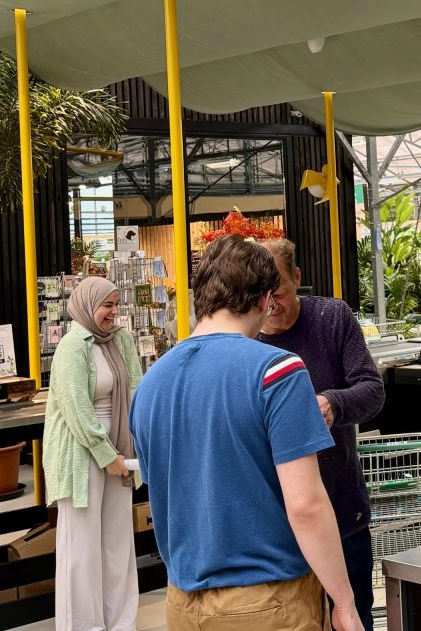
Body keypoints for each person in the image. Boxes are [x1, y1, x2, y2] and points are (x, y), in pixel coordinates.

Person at [130, 235, 362, 631]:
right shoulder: (278, 371)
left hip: (182, 602)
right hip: (269, 600)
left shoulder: (150, 384)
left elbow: (167, 496)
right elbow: (305, 504)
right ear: (262, 300)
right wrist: (344, 602)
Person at [258, 238, 385, 631]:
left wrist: (332, 404)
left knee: (353, 614)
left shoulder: (332, 318)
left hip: (341, 508)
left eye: (278, 292)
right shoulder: (244, 339)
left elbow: (372, 388)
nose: (271, 306)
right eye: (261, 297)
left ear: (296, 278)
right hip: (276, 524)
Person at [43, 276, 143, 631]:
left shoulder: (121, 340)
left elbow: (136, 387)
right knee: (81, 549)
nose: (113, 313)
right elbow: (76, 409)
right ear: (87, 306)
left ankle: (120, 623)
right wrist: (107, 455)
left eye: (116, 305)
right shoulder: (72, 347)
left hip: (120, 450)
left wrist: (132, 447)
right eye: (107, 306)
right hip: (81, 455)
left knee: (117, 544)